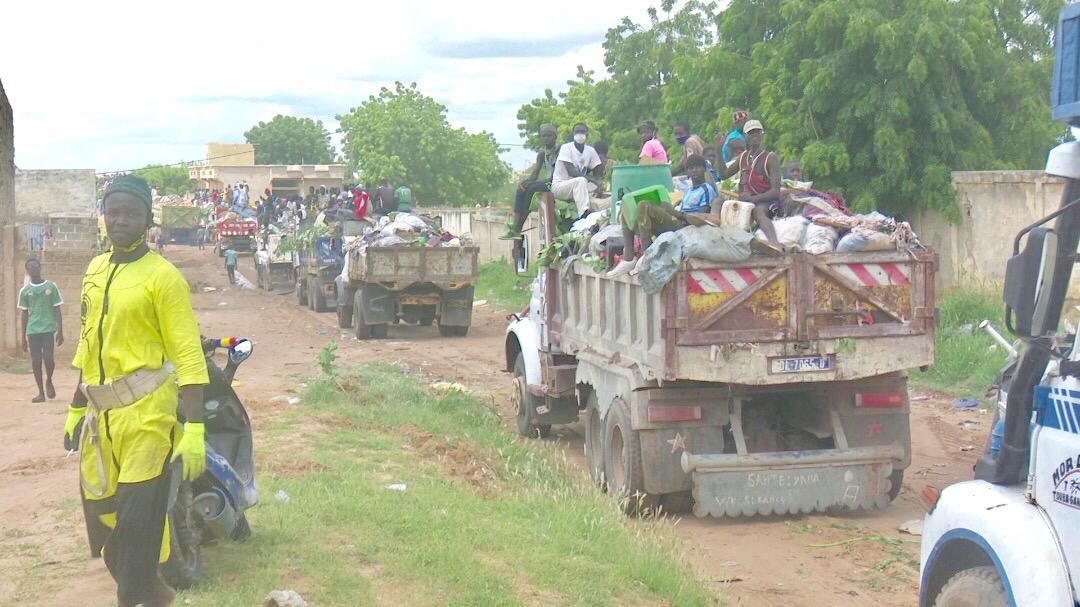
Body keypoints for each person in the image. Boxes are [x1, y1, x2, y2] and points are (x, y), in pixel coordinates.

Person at [64, 174, 208, 607]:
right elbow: (89, 347)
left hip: (148, 415)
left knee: (137, 525)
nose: (121, 221)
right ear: (103, 216)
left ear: (148, 219)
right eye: (114, 212)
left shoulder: (164, 278)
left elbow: (187, 354)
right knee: (107, 529)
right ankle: (159, 595)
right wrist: (74, 409)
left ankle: (136, 598)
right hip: (100, 418)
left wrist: (196, 427)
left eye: (131, 213)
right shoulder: (95, 270)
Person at [608, 154, 718, 277]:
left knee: (644, 205)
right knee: (627, 211)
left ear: (704, 169)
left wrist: (673, 212)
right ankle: (629, 258)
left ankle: (647, 254)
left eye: (698, 167)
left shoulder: (706, 189)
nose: (694, 170)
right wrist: (668, 209)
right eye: (691, 168)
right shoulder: (689, 190)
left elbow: (699, 217)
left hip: (686, 226)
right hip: (677, 219)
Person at [713, 119, 783, 250]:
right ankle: (713, 226)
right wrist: (718, 148)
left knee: (758, 212)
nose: (755, 135)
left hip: (765, 202)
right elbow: (723, 175)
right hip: (745, 201)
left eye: (757, 132)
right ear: (745, 136)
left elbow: (775, 192)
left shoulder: (770, 158)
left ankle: (774, 243)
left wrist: (753, 199)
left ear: (762, 135)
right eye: (751, 133)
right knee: (718, 201)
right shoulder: (743, 157)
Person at [500, 123, 559, 240]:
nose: (546, 138)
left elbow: (557, 174)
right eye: (543, 136)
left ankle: (518, 228)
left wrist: (532, 184)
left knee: (532, 189)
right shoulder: (542, 153)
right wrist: (526, 181)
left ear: (555, 137)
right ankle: (515, 226)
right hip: (547, 181)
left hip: (557, 182)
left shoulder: (560, 150)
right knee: (522, 188)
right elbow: (535, 174)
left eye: (549, 136)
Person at [19, 258, 64, 403]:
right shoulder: (25, 291)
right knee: (36, 361)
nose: (33, 268)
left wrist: (61, 331)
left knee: (49, 359)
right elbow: (24, 313)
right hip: (33, 330)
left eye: (35, 266)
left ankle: (49, 380)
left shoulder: (51, 286)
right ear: (27, 271)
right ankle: (40, 393)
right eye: (30, 267)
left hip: (48, 329)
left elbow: (58, 309)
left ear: (40, 267)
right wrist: (22, 338)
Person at [550, 122, 603, 216]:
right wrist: (592, 179)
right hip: (560, 186)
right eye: (577, 132)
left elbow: (598, 169)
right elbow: (572, 172)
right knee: (581, 180)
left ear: (587, 134)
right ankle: (584, 213)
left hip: (579, 187)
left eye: (582, 132)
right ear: (573, 134)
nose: (580, 134)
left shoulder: (590, 150)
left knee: (595, 185)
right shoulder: (566, 148)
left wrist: (598, 182)